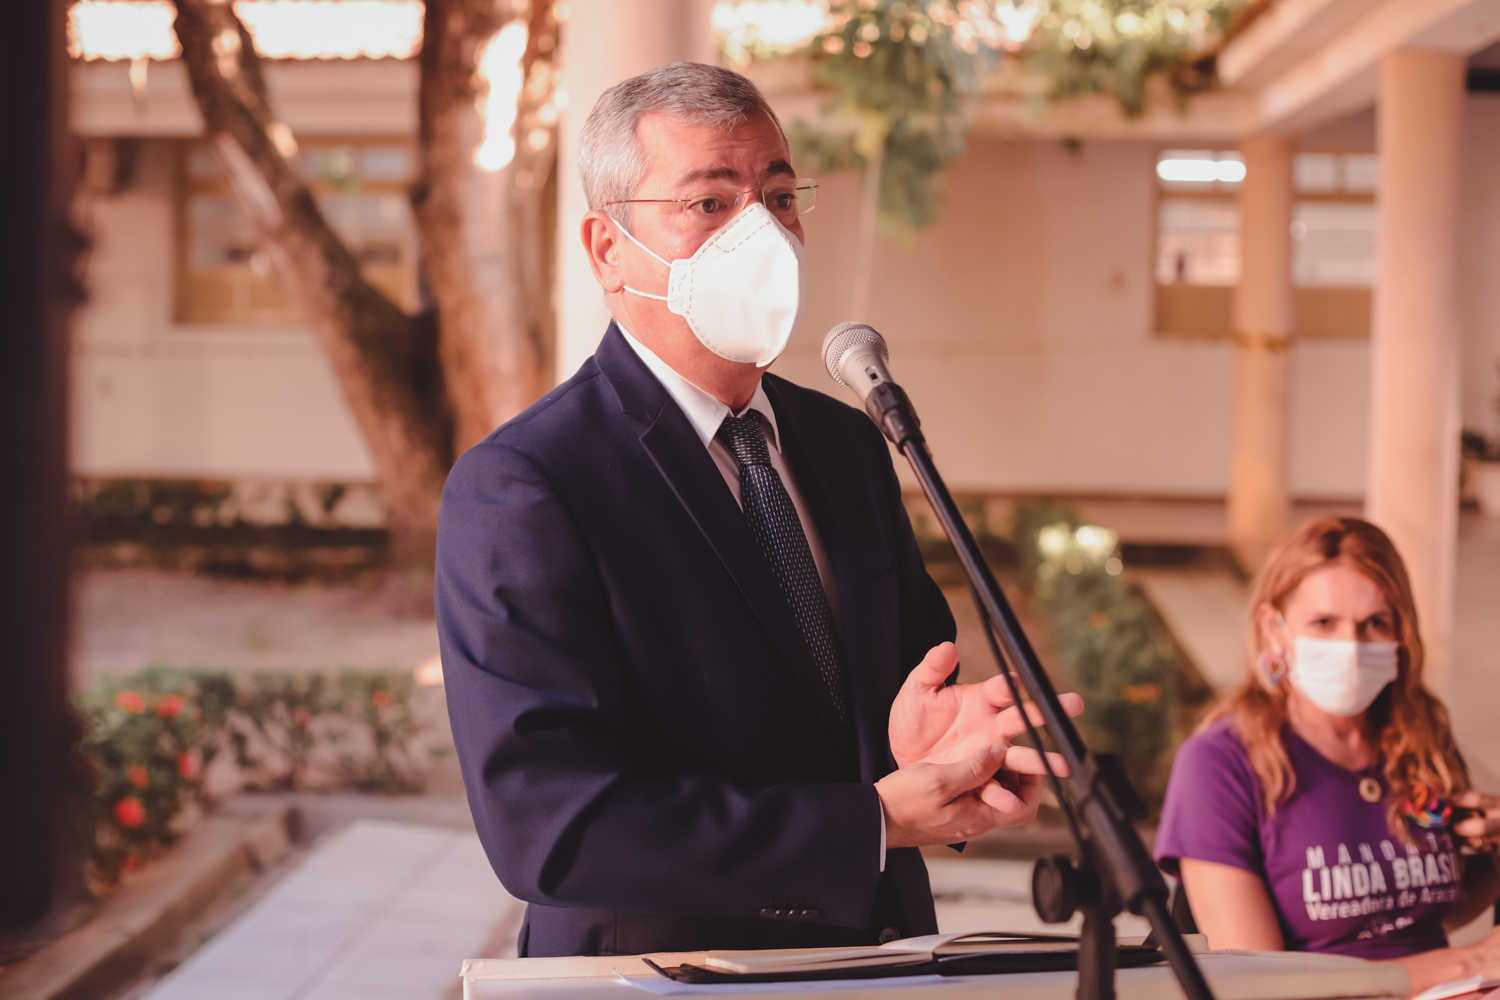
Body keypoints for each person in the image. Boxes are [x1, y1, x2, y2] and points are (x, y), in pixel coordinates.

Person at [435, 62, 1081, 958]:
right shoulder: (528, 485)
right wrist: (869, 825)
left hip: (880, 959)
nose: (762, 234)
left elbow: (895, 702)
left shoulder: (849, 443)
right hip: (665, 976)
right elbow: (553, 828)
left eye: (779, 198)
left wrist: (936, 760)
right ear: (607, 248)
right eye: (709, 203)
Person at [1155, 516, 1500, 992]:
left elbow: (1412, 911)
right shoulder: (1219, 765)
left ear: (1401, 631)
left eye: (1375, 623)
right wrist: (1465, 963)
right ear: (1273, 627)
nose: (1350, 646)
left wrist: (1494, 855)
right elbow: (1256, 987)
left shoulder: (1418, 737)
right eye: (1324, 623)